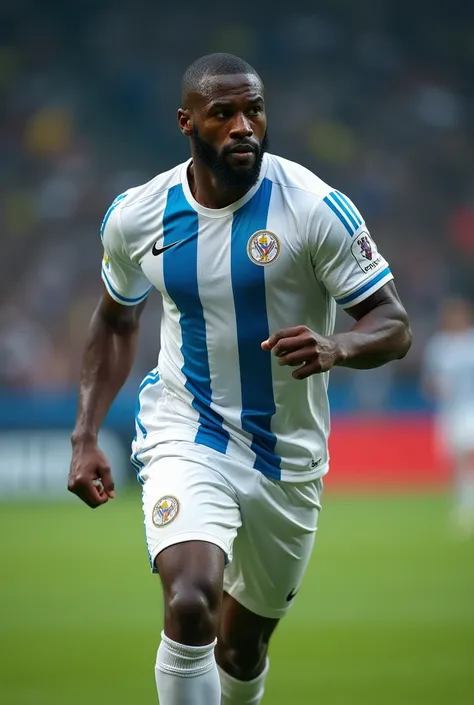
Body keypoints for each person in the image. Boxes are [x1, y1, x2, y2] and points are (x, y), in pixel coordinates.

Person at [68, 53, 412, 705]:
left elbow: (393, 323)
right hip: (186, 432)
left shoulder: (316, 208)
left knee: (242, 648)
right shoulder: (138, 215)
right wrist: (85, 433)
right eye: (222, 113)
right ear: (186, 122)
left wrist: (337, 344)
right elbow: (115, 320)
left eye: (253, 110)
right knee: (191, 599)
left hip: (288, 460)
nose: (242, 127)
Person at [423, 297, 474, 535]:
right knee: (457, 462)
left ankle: (466, 506)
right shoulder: (439, 346)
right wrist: (436, 386)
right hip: (448, 412)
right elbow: (429, 382)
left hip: (470, 409)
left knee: (469, 456)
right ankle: (462, 504)